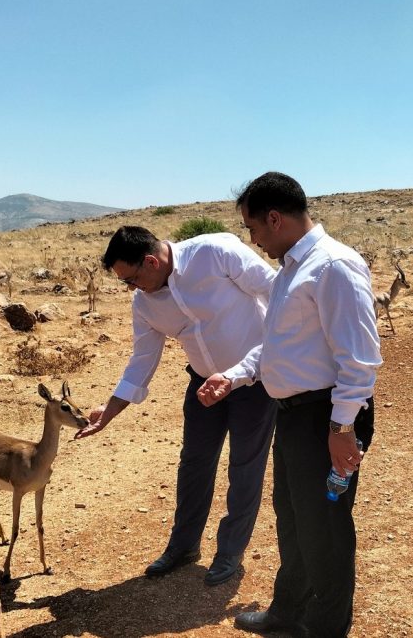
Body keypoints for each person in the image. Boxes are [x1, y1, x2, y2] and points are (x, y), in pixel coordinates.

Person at [198, 171, 382, 638]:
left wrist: (342, 429)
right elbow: (279, 345)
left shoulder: (333, 265)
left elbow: (359, 357)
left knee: (325, 529)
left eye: (253, 228)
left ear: (274, 218)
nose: (253, 240)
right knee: (294, 517)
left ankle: (326, 627)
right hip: (297, 416)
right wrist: (235, 375)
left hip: (327, 417)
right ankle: (288, 610)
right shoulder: (292, 270)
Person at [76, 225, 277, 586]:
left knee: (245, 467)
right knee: (194, 466)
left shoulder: (214, 251)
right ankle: (184, 546)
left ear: (151, 261)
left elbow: (275, 291)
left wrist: (273, 356)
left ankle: (230, 550)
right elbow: (142, 361)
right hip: (203, 386)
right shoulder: (145, 304)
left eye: (131, 279)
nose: (131, 289)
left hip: (254, 382)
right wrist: (108, 413)